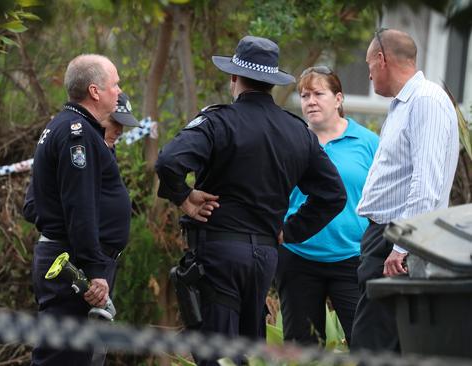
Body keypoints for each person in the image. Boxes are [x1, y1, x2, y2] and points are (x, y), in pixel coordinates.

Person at [155, 36, 347, 366]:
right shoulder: (297, 131)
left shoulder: (218, 121)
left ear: (234, 78)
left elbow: (169, 162)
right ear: (271, 82)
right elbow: (333, 195)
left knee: (215, 354)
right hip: (265, 257)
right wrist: (291, 230)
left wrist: (184, 198)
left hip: (220, 254)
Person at [351, 29, 459, 352]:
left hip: (398, 240)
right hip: (387, 238)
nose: (369, 75)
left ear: (382, 60)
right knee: (386, 344)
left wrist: (401, 245)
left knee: (373, 345)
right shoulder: (402, 105)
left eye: (369, 66)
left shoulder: (425, 100)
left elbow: (426, 183)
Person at [26, 54, 130, 366]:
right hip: (73, 265)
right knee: (63, 358)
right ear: (95, 91)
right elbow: (80, 207)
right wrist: (95, 270)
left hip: (75, 258)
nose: (120, 91)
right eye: (115, 84)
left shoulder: (70, 127)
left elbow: (35, 203)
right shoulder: (77, 134)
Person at [275, 66, 378, 347]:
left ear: (339, 98)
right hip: (297, 258)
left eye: (319, 93)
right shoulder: (289, 141)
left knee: (365, 345)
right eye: (304, 95)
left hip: (352, 258)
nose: (310, 101)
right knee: (302, 348)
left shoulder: (368, 143)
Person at [23, 92, 140, 224]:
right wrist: (79, 218)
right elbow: (31, 207)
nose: (120, 131)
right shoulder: (71, 146)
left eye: (123, 124)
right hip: (69, 242)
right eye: (114, 122)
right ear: (96, 115)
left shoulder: (106, 149)